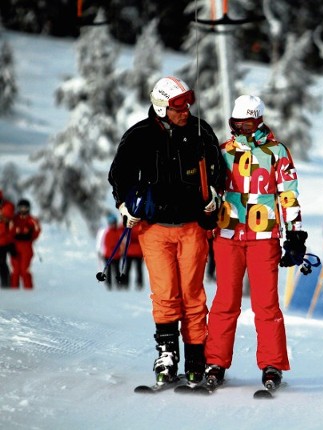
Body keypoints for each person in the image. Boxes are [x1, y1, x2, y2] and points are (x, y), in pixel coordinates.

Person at [108, 76, 225, 387]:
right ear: (161, 107)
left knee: (193, 295)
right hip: (154, 229)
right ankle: (167, 354)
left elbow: (218, 171)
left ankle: (196, 357)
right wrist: (124, 204)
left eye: (187, 104)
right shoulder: (139, 136)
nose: (185, 110)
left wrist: (215, 193)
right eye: (178, 106)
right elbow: (119, 174)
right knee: (165, 294)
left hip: (193, 227)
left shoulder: (201, 131)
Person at [204, 95, 307, 391]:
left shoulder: (277, 152)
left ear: (259, 121)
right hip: (228, 235)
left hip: (264, 237)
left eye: (248, 123)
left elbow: (288, 194)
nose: (243, 129)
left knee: (266, 304)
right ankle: (216, 361)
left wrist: (295, 234)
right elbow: (211, 190)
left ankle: (272, 364)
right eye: (238, 123)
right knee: (225, 301)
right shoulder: (224, 151)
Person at [9, 199, 41, 289]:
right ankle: (13, 291)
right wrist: (10, 245)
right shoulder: (14, 219)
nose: (23, 210)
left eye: (25, 208)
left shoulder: (32, 220)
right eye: (21, 208)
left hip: (26, 247)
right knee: (15, 271)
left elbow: (37, 230)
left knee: (24, 270)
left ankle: (28, 291)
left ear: (28, 208)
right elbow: (9, 231)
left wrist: (31, 236)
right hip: (15, 246)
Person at [96, 213, 124, 289]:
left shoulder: (118, 232)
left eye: (114, 223)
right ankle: (109, 284)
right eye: (112, 223)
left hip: (117, 256)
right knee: (109, 271)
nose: (113, 225)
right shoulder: (107, 233)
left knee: (116, 270)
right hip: (108, 255)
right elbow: (105, 243)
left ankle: (118, 283)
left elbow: (121, 242)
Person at [122, 223, 144, 290]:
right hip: (138, 251)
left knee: (128, 269)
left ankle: (125, 283)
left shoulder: (129, 225)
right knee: (138, 269)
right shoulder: (141, 226)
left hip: (131, 251)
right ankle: (139, 284)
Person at [0, 190, 15, 287]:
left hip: (3, 241)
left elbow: (7, 218)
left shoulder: (8, 206)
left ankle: (6, 284)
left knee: (1, 263)